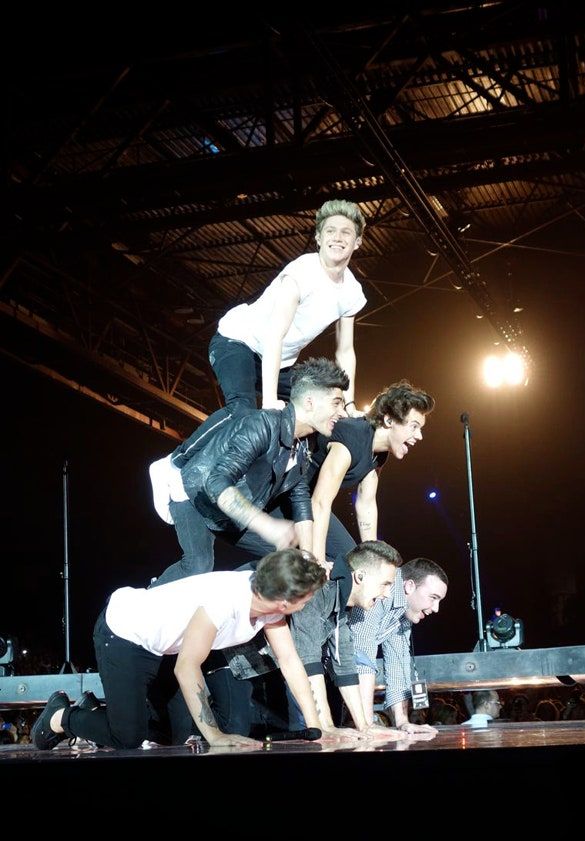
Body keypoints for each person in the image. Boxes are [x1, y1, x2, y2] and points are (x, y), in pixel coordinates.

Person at [31, 550, 327, 751]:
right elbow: (187, 667)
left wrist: (317, 728)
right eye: (308, 597)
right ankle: (62, 717)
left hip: (164, 648)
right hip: (124, 634)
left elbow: (289, 661)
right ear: (286, 601)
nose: (309, 603)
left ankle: (97, 713)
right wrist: (215, 735)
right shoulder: (225, 601)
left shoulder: (271, 608)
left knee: (174, 733)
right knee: (128, 738)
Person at [149, 357, 348, 585]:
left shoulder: (301, 447)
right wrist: (266, 525)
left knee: (289, 563)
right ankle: (146, 601)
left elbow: (300, 499)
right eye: (336, 403)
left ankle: (231, 605)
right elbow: (216, 483)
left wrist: (309, 558)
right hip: (197, 496)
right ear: (310, 402)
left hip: (230, 515)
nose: (343, 413)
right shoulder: (264, 424)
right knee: (198, 565)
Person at [208, 198, 366, 415]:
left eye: (346, 232)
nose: (337, 238)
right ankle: (183, 451)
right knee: (242, 413)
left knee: (320, 408)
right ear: (319, 238)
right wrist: (270, 400)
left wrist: (349, 405)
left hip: (280, 363)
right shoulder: (301, 273)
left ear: (357, 241)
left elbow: (345, 351)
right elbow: (274, 335)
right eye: (330, 231)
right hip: (238, 343)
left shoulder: (352, 291)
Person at [288, 540, 409, 739]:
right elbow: (308, 660)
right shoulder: (319, 589)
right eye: (385, 584)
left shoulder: (340, 605)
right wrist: (326, 727)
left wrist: (365, 726)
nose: (387, 595)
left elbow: (344, 665)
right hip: (233, 659)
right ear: (360, 576)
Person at [309, 381, 435, 564]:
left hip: (308, 502)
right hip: (287, 496)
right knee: (308, 560)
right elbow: (320, 502)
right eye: (414, 426)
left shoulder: (380, 455)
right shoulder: (352, 439)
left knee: (351, 560)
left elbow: (366, 504)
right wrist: (318, 562)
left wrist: (374, 559)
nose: (419, 436)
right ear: (389, 420)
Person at [348, 557, 448, 729]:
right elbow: (362, 657)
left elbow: (397, 666)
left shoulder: (403, 612)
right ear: (409, 586)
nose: (436, 608)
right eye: (433, 597)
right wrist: (366, 725)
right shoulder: (379, 594)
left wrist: (402, 722)